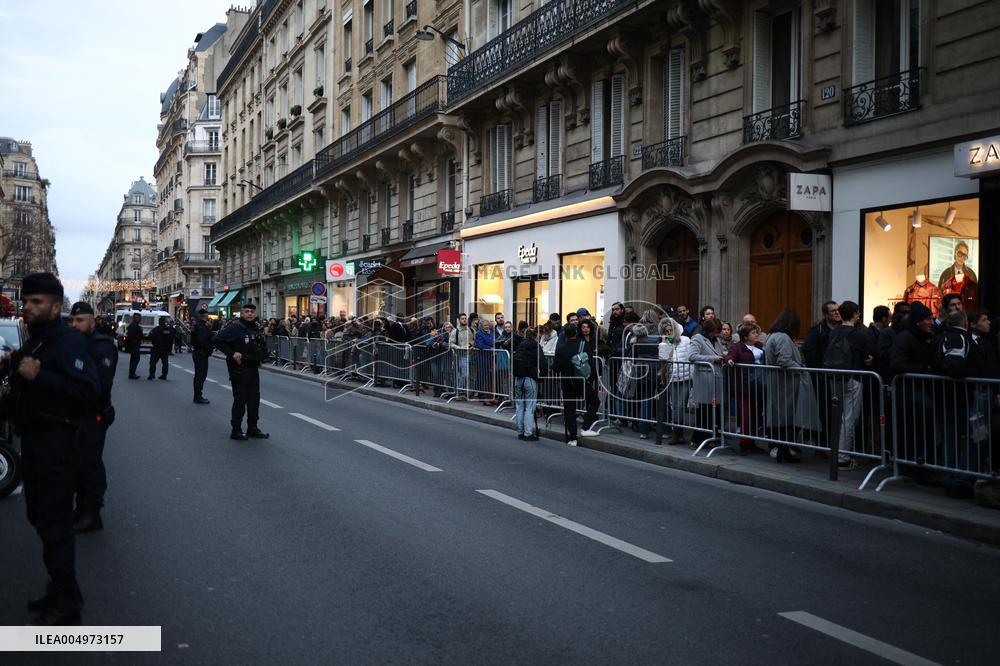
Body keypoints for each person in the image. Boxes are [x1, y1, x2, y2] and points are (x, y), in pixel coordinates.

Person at [1, 273, 100, 625]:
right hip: (34, 441)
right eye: (26, 301)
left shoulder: (67, 342)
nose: (27, 307)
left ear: (56, 307)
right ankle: (60, 589)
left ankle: (67, 601)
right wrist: (14, 365)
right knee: (39, 516)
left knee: (54, 521)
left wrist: (38, 376)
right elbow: (24, 376)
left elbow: (90, 390)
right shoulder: (37, 341)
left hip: (57, 444)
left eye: (36, 302)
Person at [67, 302, 118, 534]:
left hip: (93, 414)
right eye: (72, 321)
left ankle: (92, 513)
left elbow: (99, 387)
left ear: (92, 322)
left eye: (80, 321)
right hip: (73, 415)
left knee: (90, 464)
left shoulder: (102, 346)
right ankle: (81, 508)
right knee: (75, 463)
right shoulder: (71, 344)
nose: (75, 325)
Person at [764, 309, 820, 462]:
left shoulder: (772, 336)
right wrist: (801, 368)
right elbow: (784, 360)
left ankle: (784, 450)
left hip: (779, 383)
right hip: (786, 384)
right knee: (786, 418)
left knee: (782, 418)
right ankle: (784, 451)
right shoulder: (782, 337)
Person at [825, 301, 876, 469]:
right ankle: (843, 456)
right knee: (849, 418)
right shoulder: (859, 334)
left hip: (836, 377)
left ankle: (837, 452)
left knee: (838, 415)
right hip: (853, 377)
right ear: (855, 314)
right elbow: (868, 357)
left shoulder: (834, 332)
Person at [213, 303, 270, 440]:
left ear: (255, 314)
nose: (249, 314)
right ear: (242, 313)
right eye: (246, 311)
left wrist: (260, 358)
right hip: (239, 370)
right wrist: (232, 353)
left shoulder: (255, 328)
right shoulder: (235, 328)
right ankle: (236, 430)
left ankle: (253, 428)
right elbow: (216, 340)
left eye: (252, 312)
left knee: (254, 400)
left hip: (253, 368)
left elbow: (257, 346)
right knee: (240, 400)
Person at [724, 322, 765, 455]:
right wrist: (730, 360)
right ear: (746, 336)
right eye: (753, 333)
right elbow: (730, 356)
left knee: (756, 414)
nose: (756, 335)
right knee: (746, 415)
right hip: (744, 385)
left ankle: (752, 441)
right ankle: (744, 442)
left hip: (758, 385)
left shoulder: (759, 346)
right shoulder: (738, 347)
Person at [688, 318, 725, 446]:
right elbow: (692, 356)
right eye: (714, 332)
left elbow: (718, 352)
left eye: (717, 332)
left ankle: (712, 437)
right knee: (704, 412)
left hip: (716, 380)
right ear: (708, 330)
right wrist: (713, 358)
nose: (716, 334)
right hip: (704, 379)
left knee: (714, 411)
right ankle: (698, 439)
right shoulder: (698, 338)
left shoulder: (717, 340)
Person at [552, 322, 583, 446]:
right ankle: (587, 428)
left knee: (570, 409)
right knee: (593, 402)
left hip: (568, 381)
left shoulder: (562, 348)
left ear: (565, 334)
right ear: (576, 333)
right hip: (582, 379)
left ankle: (573, 437)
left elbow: (556, 368)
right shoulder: (582, 345)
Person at [512, 328, 541, 441]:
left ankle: (520, 432)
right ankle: (528, 433)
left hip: (519, 378)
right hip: (530, 378)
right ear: (535, 336)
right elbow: (542, 362)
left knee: (519, 406)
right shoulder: (535, 346)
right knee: (529, 407)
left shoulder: (520, 346)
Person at [803, 301, 840, 368]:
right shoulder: (817, 331)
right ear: (826, 314)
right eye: (833, 311)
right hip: (822, 372)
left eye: (838, 310)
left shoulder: (843, 329)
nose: (837, 313)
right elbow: (810, 352)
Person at [191, 307, 213, 404]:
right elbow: (203, 340)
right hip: (201, 353)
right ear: (205, 316)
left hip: (198, 352)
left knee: (198, 375)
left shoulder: (198, 325)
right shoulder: (201, 326)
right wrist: (209, 350)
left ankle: (197, 395)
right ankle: (198, 396)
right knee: (201, 376)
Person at [449, 313, 473, 398]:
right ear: (459, 320)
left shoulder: (470, 330)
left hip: (468, 354)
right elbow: (451, 343)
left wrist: (470, 346)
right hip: (458, 355)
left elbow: (472, 341)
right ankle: (459, 391)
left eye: (465, 318)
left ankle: (463, 391)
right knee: (460, 374)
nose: (464, 320)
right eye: (462, 319)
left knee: (467, 374)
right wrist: (459, 348)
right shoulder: (455, 331)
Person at [125, 312, 143, 379]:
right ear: (134, 318)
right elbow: (131, 336)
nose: (139, 319)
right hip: (134, 345)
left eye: (139, 318)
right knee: (135, 359)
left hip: (134, 344)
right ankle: (132, 373)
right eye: (137, 318)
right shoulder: (134, 326)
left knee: (134, 359)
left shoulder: (134, 326)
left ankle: (132, 373)